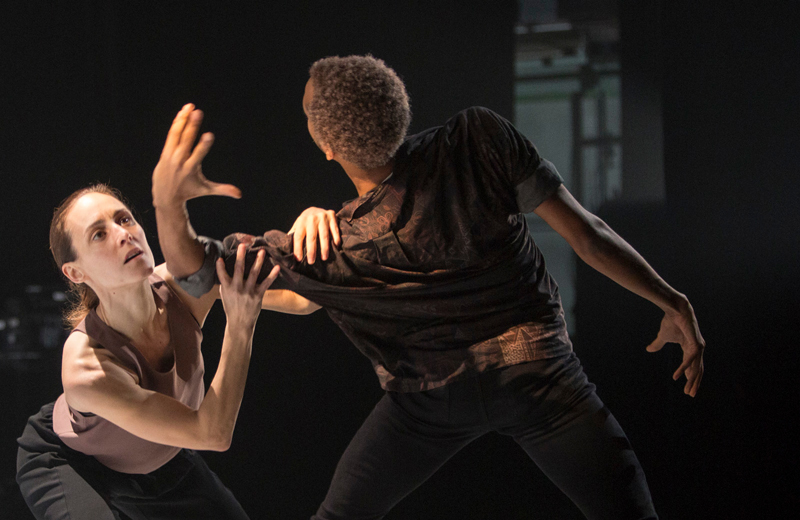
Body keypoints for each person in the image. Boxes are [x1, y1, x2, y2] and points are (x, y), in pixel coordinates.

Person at [151, 55, 705, 520]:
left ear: (327, 148)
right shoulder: (478, 140)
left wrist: (167, 203)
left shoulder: (337, 245)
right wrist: (671, 300)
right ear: (399, 106)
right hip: (537, 376)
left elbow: (199, 270)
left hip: (431, 403)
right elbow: (588, 235)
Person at [15, 184, 317, 519]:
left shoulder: (185, 283)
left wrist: (308, 229)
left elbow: (304, 299)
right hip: (74, 461)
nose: (123, 234)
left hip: (164, 459)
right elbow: (212, 433)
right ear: (76, 272)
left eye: (125, 219)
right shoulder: (87, 367)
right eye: (99, 234)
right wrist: (241, 325)